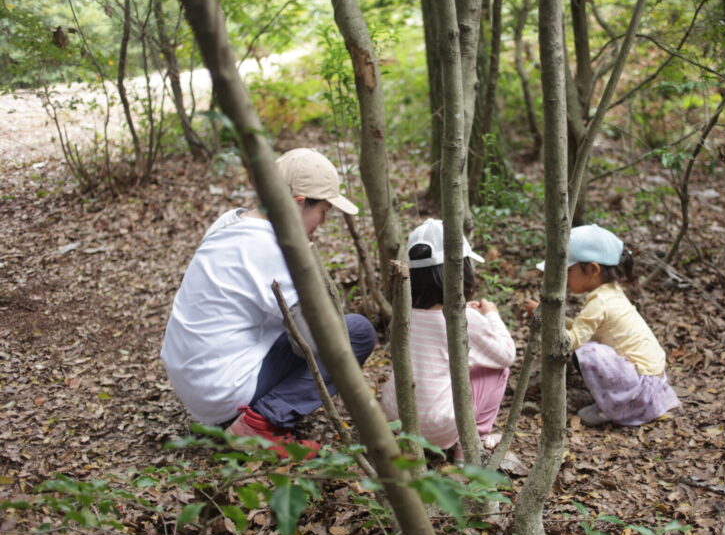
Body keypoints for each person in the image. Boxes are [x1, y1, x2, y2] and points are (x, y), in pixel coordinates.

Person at [161, 148, 377, 457]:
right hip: (222, 390)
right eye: (324, 210)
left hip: (194, 382)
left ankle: (250, 414)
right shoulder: (276, 248)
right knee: (357, 332)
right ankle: (259, 424)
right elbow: (318, 343)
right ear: (299, 203)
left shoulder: (231, 220)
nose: (324, 221)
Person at [380, 219, 516, 459]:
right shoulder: (465, 319)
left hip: (396, 417)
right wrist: (492, 315)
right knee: (498, 371)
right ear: (460, 270)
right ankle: (472, 443)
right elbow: (506, 355)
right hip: (438, 427)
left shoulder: (403, 313)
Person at [524, 224, 680, 426]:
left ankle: (617, 407)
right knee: (589, 346)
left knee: (587, 352)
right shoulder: (610, 292)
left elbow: (569, 341)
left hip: (642, 391)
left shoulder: (600, 303)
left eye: (568, 271)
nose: (562, 278)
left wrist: (544, 318)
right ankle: (618, 401)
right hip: (654, 383)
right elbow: (583, 327)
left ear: (593, 270)